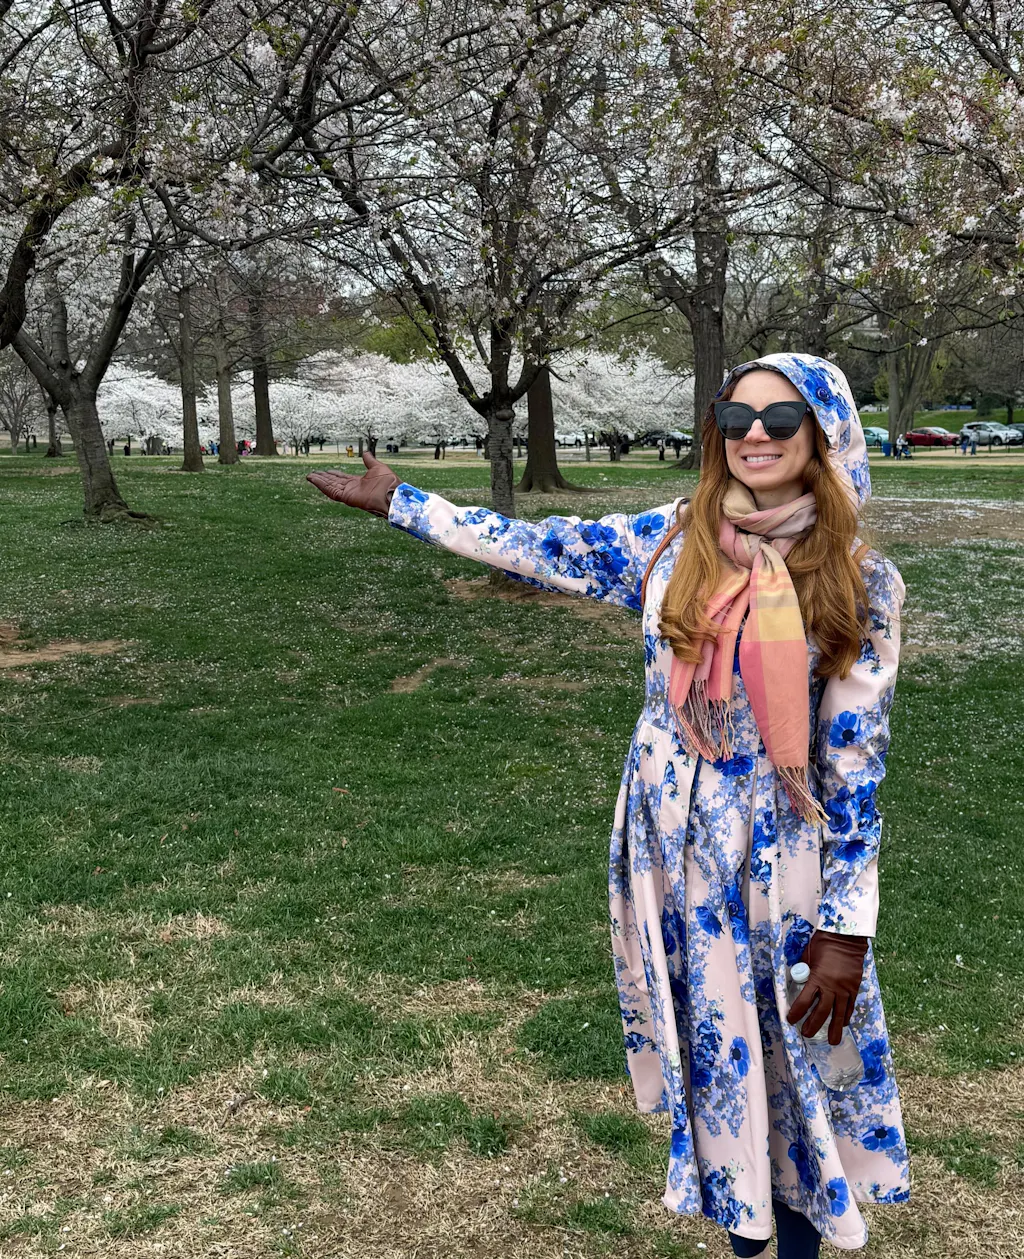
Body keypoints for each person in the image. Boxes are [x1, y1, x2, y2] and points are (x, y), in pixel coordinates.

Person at [307, 353, 909, 1255]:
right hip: (667, 851)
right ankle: (745, 1236)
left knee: (789, 1067)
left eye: (781, 419)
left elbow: (855, 772)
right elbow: (543, 548)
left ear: (823, 435)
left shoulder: (861, 580)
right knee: (714, 1060)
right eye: (735, 416)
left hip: (776, 862)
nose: (754, 434)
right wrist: (405, 503)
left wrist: (846, 929)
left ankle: (792, 1240)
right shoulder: (675, 540)